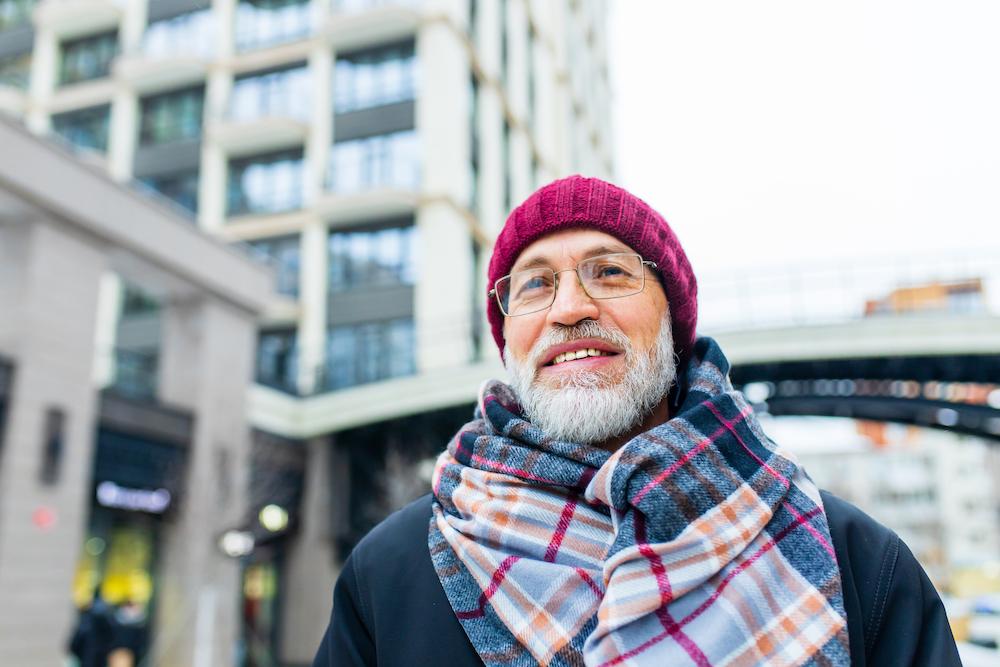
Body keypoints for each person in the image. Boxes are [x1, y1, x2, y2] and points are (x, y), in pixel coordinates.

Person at [312, 176, 961, 667]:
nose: (569, 307)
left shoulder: (862, 568)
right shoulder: (385, 576)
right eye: (533, 284)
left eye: (610, 272)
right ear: (507, 338)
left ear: (673, 327)